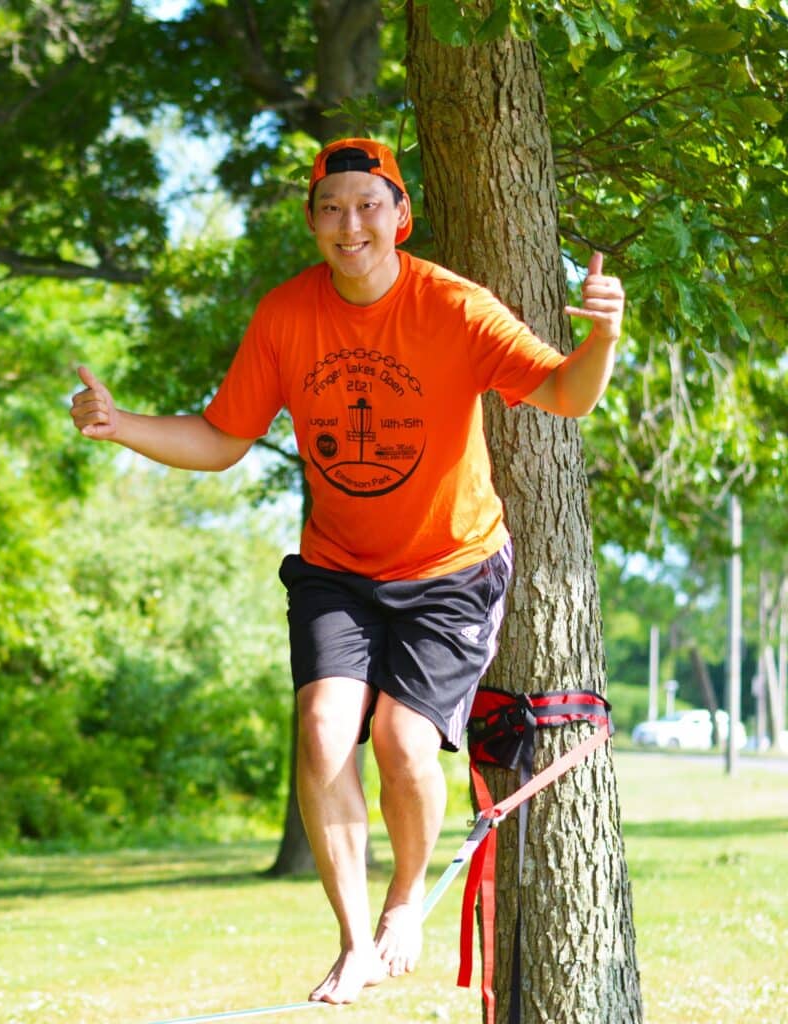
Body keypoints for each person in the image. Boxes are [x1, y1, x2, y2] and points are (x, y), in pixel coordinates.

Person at [69, 138, 624, 1006]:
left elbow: (566, 393)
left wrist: (604, 334)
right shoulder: (288, 316)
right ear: (312, 223)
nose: (350, 223)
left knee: (405, 743)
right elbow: (223, 439)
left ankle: (407, 901)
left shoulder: (452, 306)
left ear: (401, 217)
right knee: (323, 729)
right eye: (332, 208)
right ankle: (355, 940)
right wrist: (121, 423)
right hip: (337, 567)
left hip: (451, 566)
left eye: (369, 205)